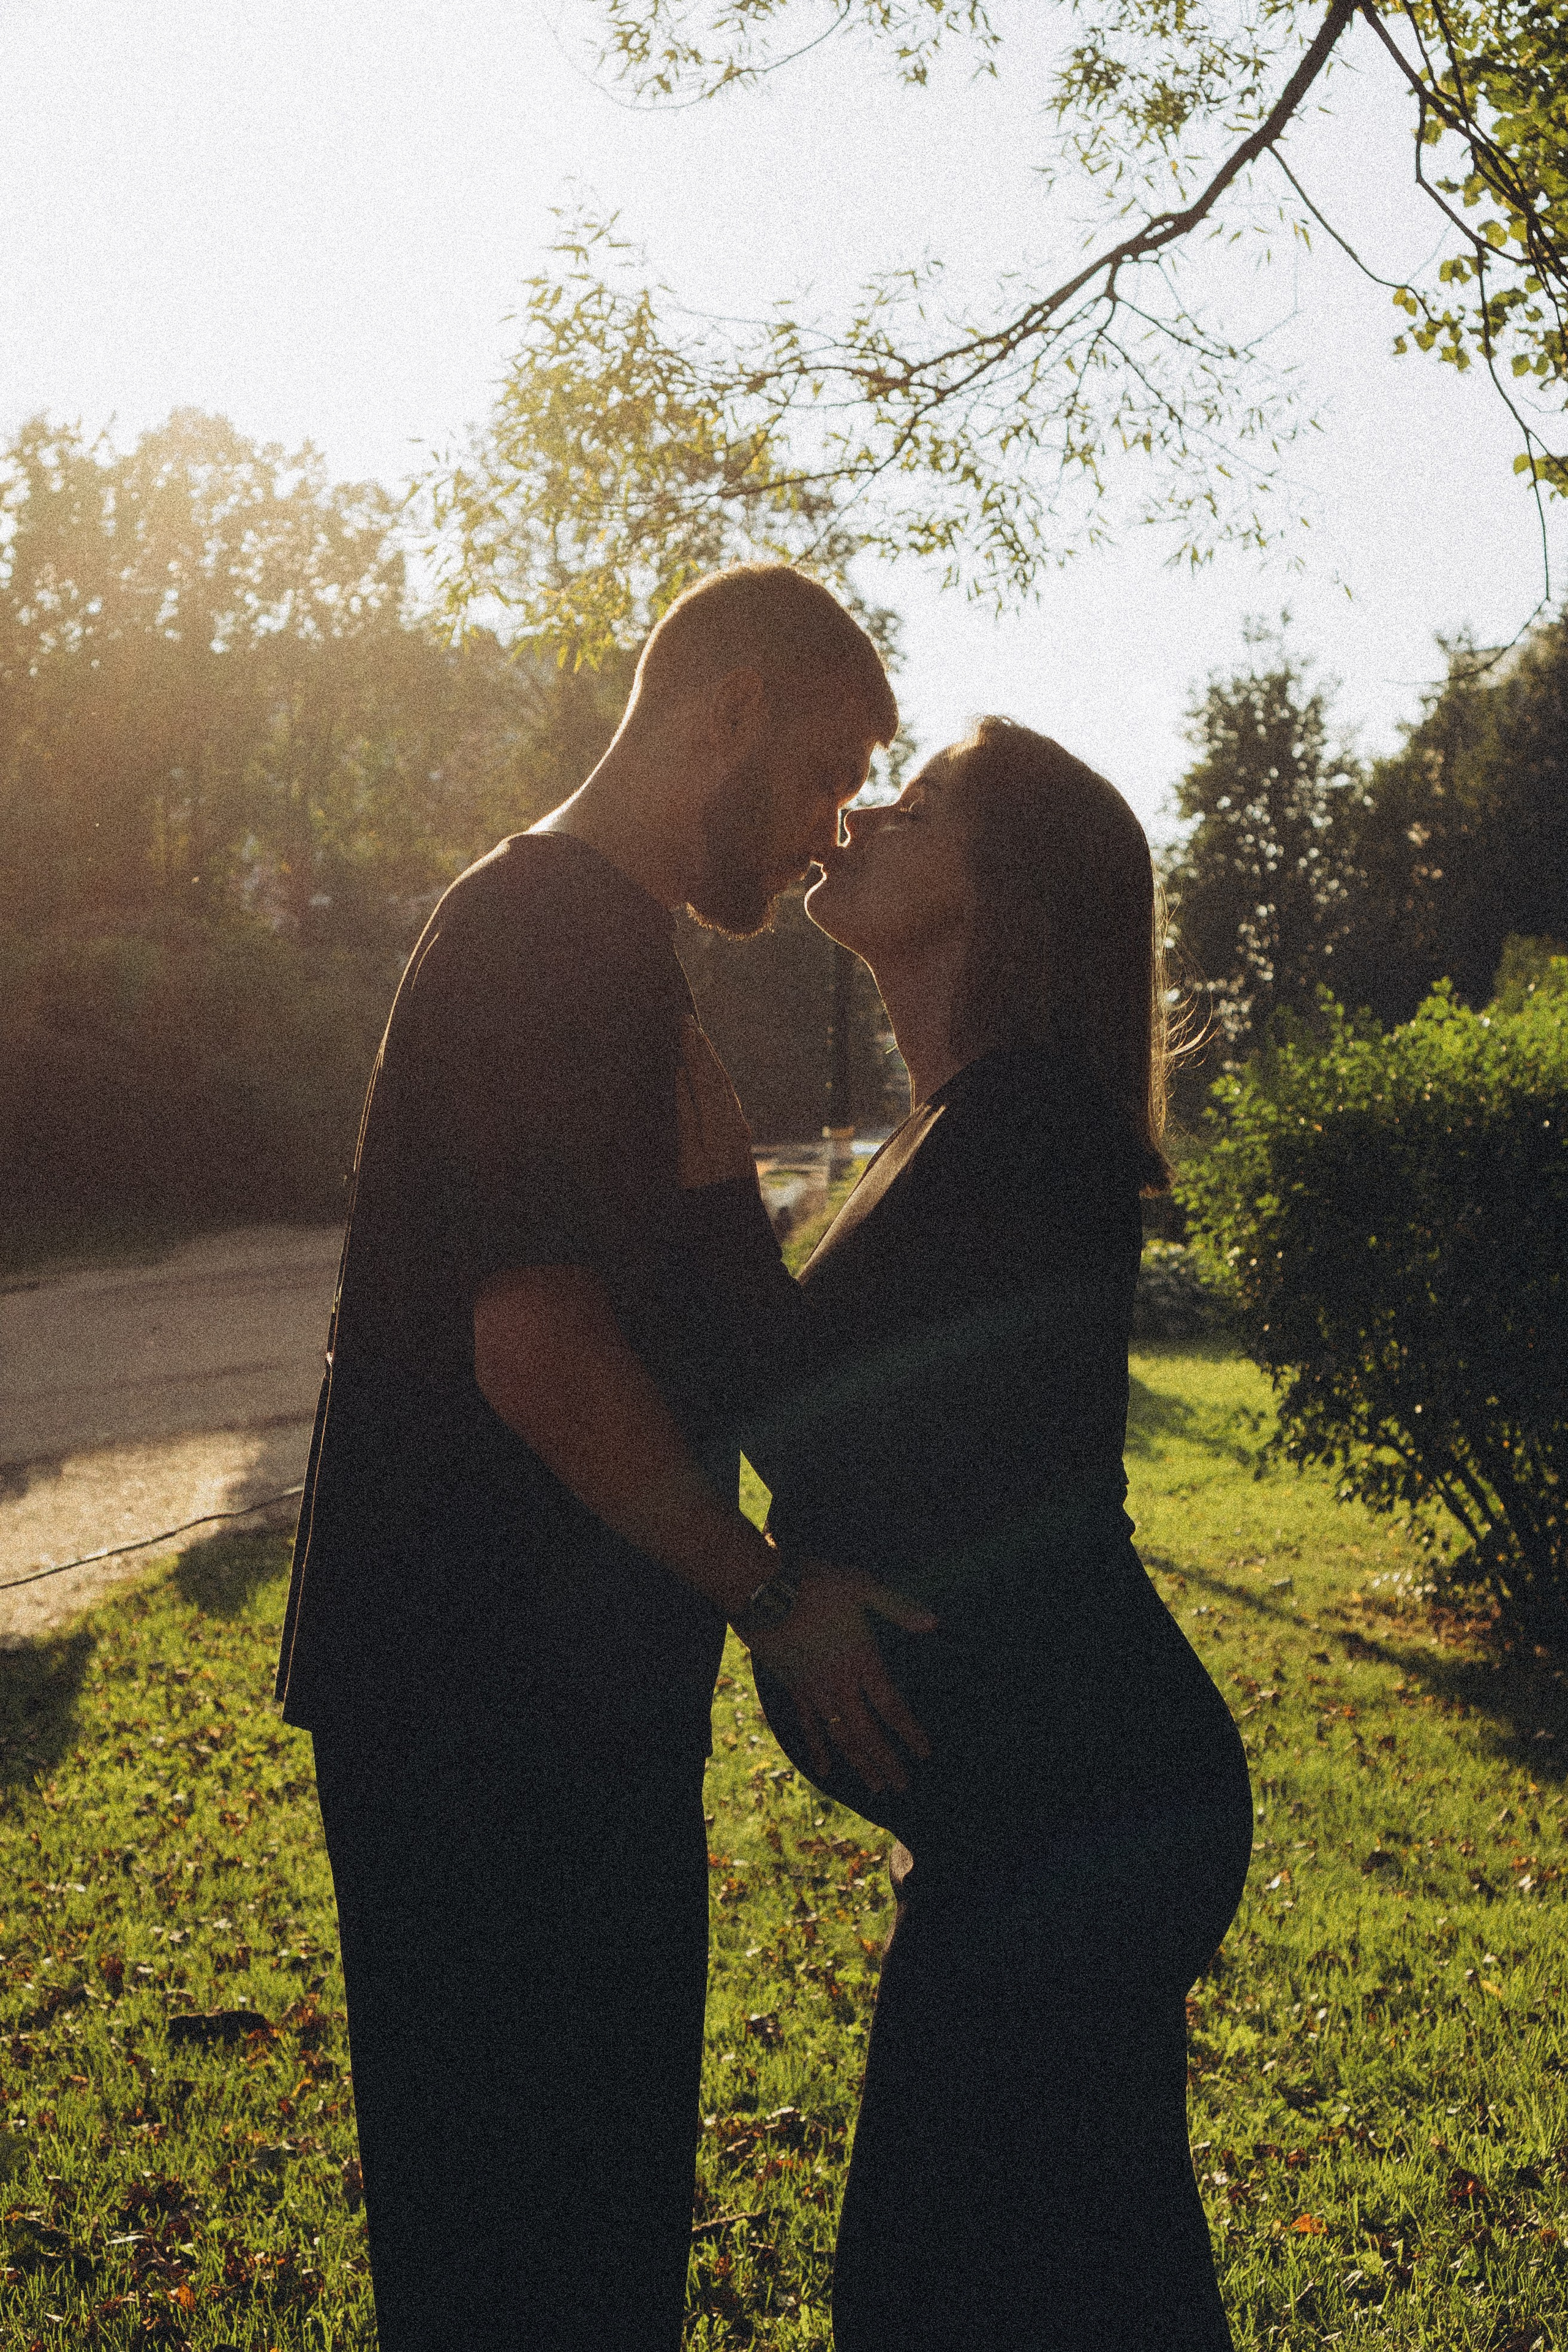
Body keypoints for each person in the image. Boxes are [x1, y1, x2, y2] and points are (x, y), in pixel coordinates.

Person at [273, 563, 940, 2352]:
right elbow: (537, 1349)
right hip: (483, 1716)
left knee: (566, 2243)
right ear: (731, 709)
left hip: (534, 1706)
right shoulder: (550, 936)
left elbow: (638, 1334)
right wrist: (773, 1597)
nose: (833, 826)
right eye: (830, 770)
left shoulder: (595, 944)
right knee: (532, 2256)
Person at [680, 716, 1255, 2350]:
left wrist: (697, 1156)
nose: (861, 810)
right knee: (1070, 2285)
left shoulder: (1032, 1134)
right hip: (1037, 1817)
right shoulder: (961, 1127)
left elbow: (804, 1409)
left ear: (1007, 893)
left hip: (1080, 1815)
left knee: (950, 2291)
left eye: (917, 804)